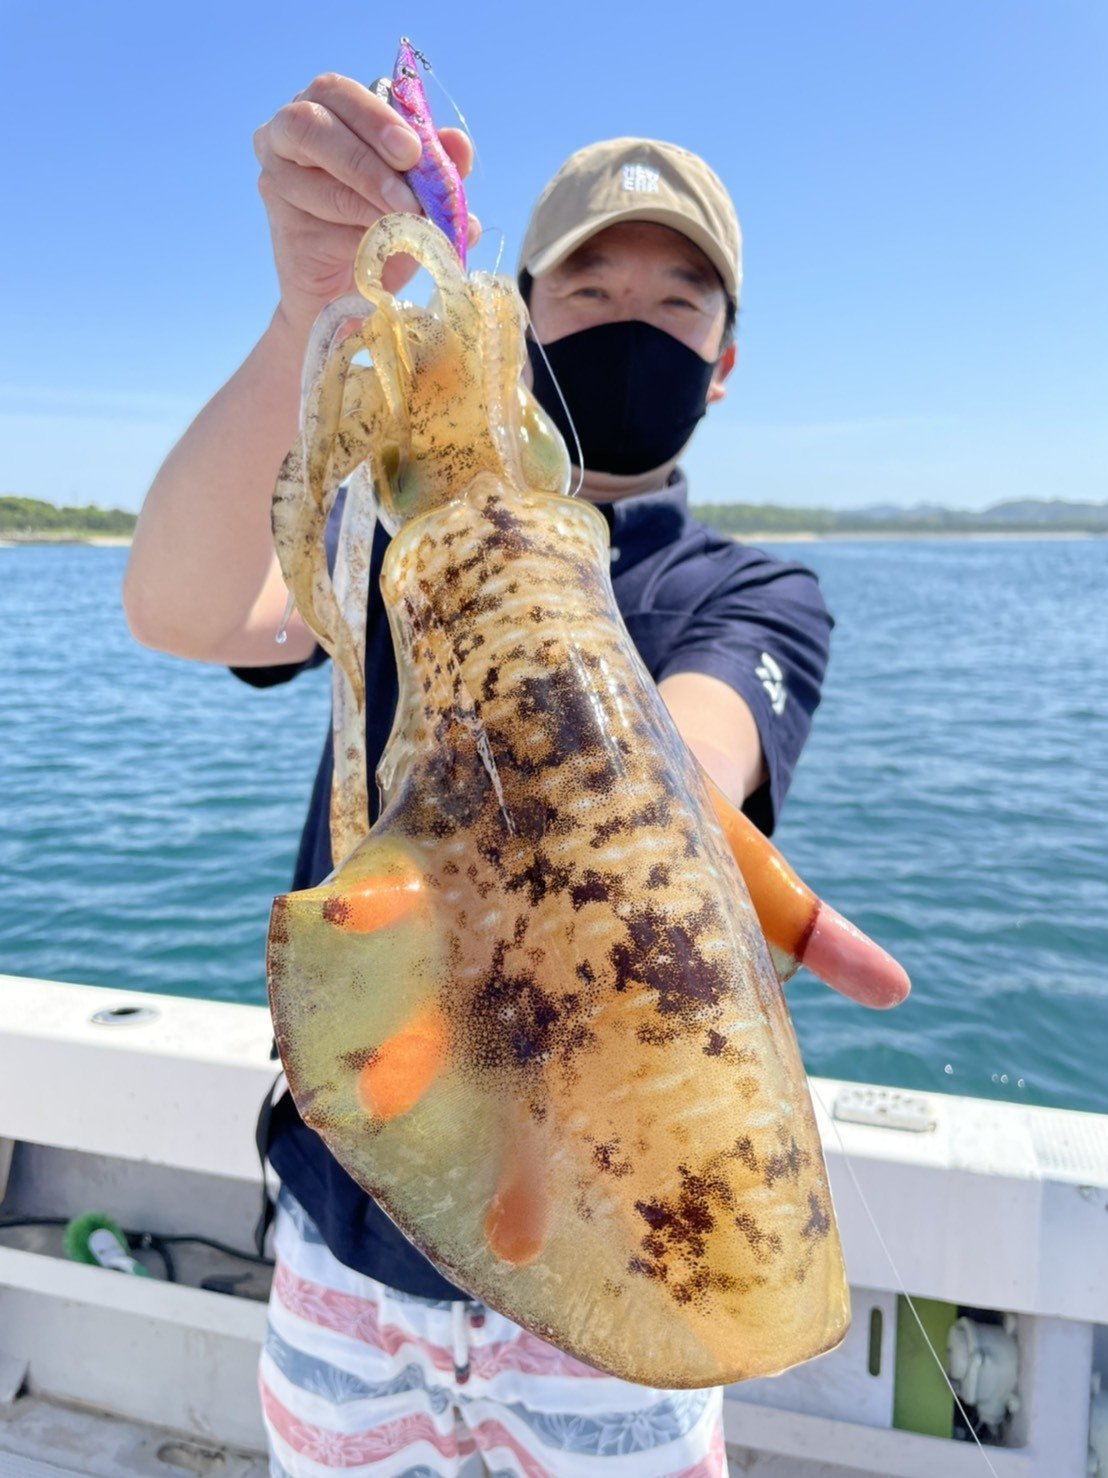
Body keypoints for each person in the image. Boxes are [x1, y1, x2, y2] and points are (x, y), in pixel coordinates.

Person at [124, 72, 838, 1478]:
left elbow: (691, 747)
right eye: (591, 289)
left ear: (725, 355)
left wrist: (667, 796)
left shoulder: (750, 592)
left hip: (623, 1273)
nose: (633, 321)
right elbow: (183, 607)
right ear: (519, 304)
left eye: (677, 302)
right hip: (354, 1245)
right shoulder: (394, 555)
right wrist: (308, 322)